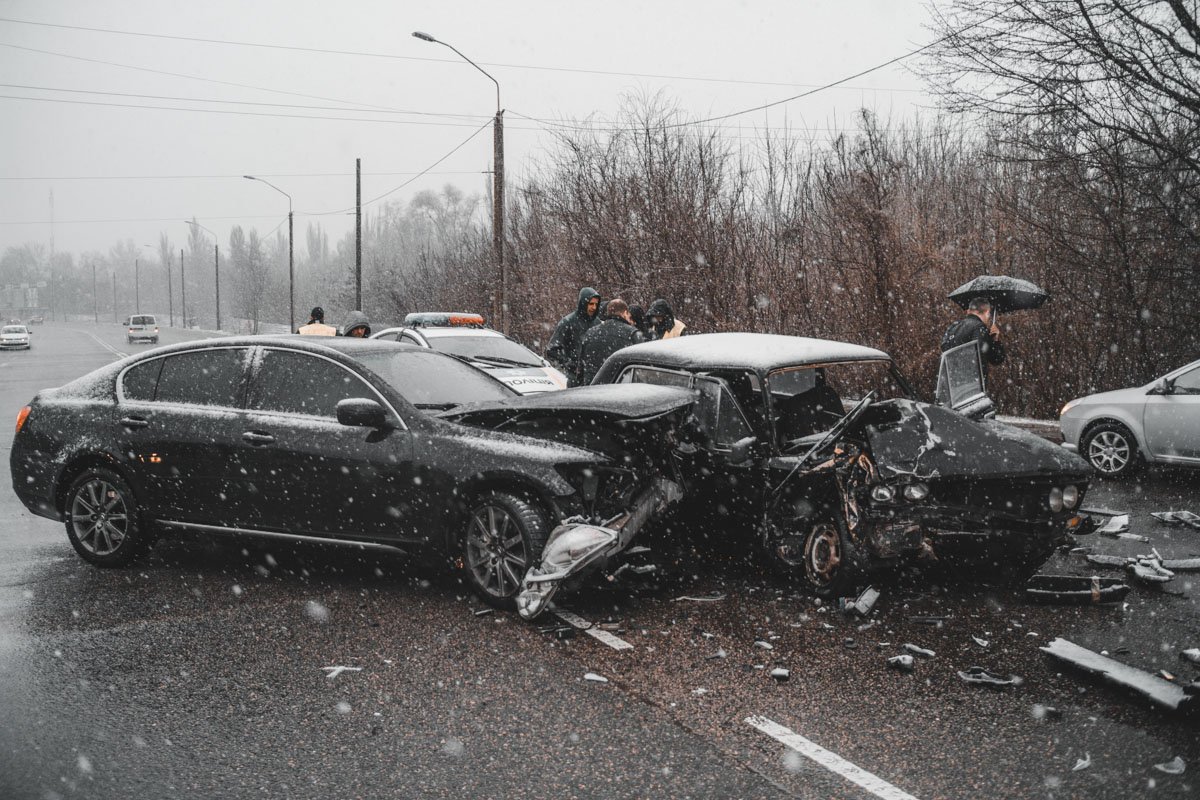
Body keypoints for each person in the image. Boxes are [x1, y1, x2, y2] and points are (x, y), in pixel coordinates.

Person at [576, 299, 642, 385]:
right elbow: (640, 369)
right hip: (618, 389)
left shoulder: (590, 333)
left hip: (591, 388)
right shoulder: (632, 334)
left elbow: (580, 369)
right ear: (625, 312)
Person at [545, 287, 601, 386]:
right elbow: (552, 350)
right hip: (575, 378)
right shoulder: (568, 322)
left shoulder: (597, 323)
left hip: (594, 377)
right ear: (584, 303)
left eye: (596, 304)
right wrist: (568, 363)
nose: (594, 307)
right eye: (591, 304)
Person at [941, 296, 1005, 374]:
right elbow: (995, 358)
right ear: (987, 312)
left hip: (951, 379)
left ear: (969, 311)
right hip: (971, 381)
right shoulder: (979, 327)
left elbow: (944, 347)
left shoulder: (953, 326)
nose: (989, 318)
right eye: (989, 314)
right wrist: (995, 340)